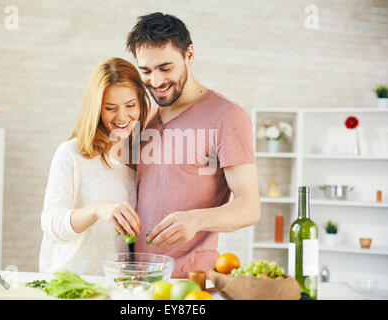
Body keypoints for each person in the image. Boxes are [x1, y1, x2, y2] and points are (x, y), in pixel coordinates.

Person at [126, 12, 261, 277]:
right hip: (138, 276)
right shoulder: (142, 116)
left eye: (165, 68)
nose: (156, 81)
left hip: (192, 281)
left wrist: (196, 219)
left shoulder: (227, 117)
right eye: (146, 71)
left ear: (189, 55)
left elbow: (249, 207)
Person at [39, 57, 149, 275]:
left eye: (130, 105)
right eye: (110, 108)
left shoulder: (141, 159)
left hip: (116, 284)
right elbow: (51, 224)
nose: (122, 117)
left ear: (141, 103)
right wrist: (97, 210)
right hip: (71, 280)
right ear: (96, 108)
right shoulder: (72, 153)